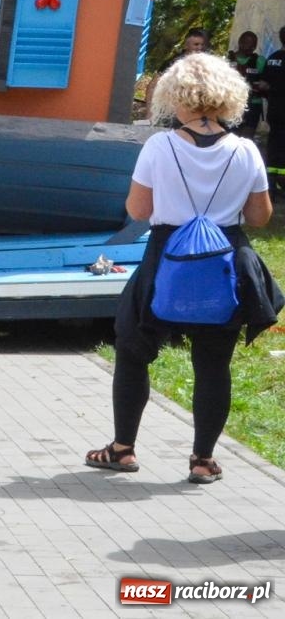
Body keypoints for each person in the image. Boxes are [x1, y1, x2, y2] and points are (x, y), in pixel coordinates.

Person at [84, 52, 280, 484]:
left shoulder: (159, 145)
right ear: (229, 96)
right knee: (213, 363)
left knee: (132, 349)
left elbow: (138, 208)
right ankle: (203, 460)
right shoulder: (245, 150)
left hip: (166, 256)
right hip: (225, 260)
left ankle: (122, 449)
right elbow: (261, 217)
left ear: (176, 96)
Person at [227, 31, 266, 138]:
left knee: (246, 139)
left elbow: (266, 82)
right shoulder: (228, 60)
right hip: (232, 103)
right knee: (231, 137)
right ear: (240, 43)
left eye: (254, 45)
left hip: (253, 104)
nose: (251, 47)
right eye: (248, 44)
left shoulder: (260, 61)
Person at [263, 27, 285, 192]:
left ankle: (271, 181)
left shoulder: (273, 58)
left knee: (274, 142)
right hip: (279, 109)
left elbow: (263, 84)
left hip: (274, 110)